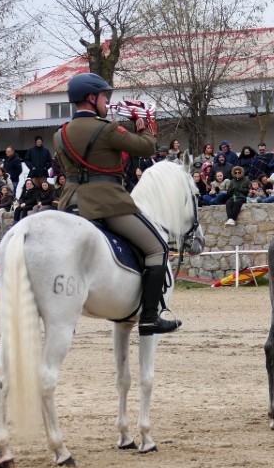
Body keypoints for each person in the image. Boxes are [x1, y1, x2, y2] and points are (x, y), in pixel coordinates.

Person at [52, 73, 180, 334]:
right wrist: (144, 126)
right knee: (157, 248)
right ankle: (149, 318)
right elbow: (146, 148)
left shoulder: (60, 134)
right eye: (104, 96)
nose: (107, 102)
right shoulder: (107, 129)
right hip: (106, 203)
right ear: (91, 98)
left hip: (70, 203)